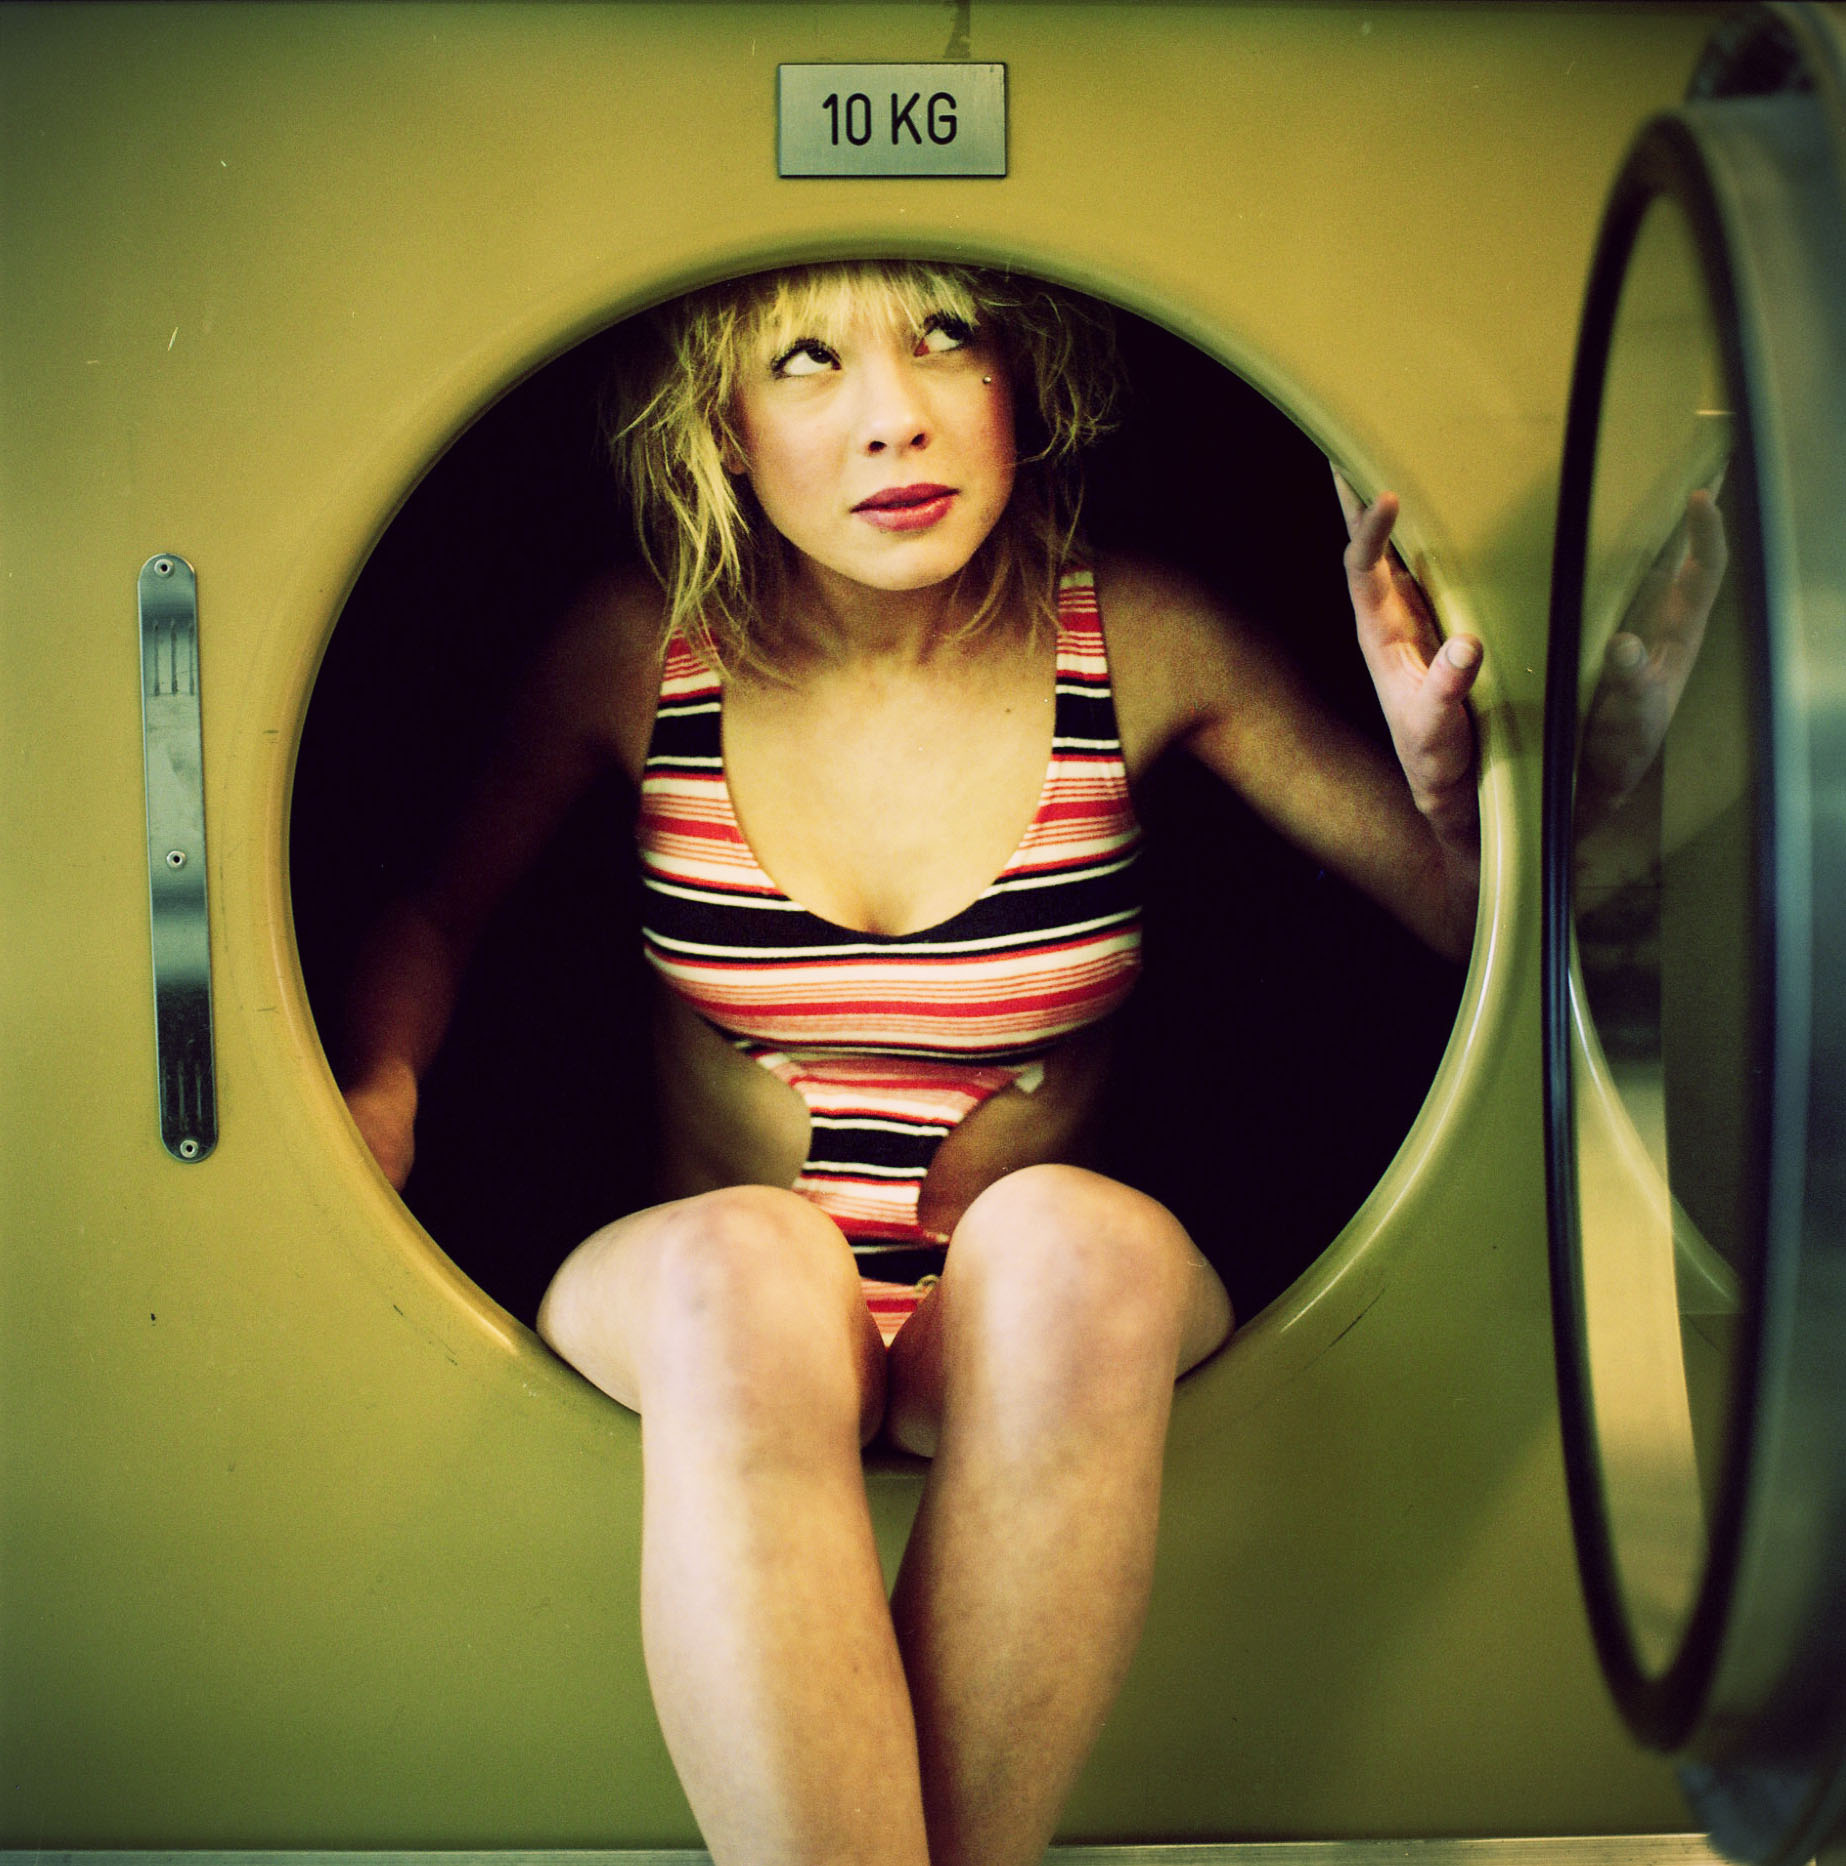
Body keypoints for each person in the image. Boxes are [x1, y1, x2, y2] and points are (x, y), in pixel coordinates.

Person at [341, 260, 1483, 1866]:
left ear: (1021, 378)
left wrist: (1447, 786)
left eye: (945, 337)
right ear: (720, 427)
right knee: (748, 1268)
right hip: (724, 1322)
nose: (894, 419)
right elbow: (433, 910)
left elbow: (1474, 926)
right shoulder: (638, 648)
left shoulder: (1139, 637)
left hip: (1002, 1340)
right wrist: (382, 1089)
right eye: (807, 361)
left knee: (1079, 1246)